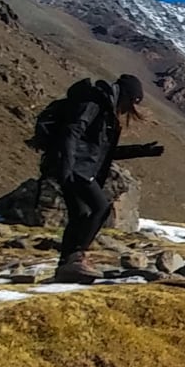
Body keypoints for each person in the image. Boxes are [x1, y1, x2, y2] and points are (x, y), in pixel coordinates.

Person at [44, 73, 165, 283]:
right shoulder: (95, 103)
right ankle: (77, 256)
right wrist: (67, 168)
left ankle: (66, 265)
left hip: (74, 167)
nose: (129, 109)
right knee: (101, 208)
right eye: (132, 102)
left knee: (81, 214)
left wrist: (142, 151)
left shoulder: (104, 109)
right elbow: (71, 132)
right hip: (75, 169)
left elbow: (103, 152)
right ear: (127, 95)